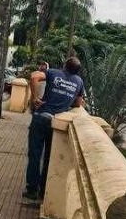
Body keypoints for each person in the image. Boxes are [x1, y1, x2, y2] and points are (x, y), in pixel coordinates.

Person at [24, 57, 85, 202]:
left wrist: (35, 98)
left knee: (34, 154)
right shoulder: (79, 82)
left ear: (64, 66)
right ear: (77, 71)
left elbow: (33, 76)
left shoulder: (53, 72)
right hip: (57, 124)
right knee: (49, 157)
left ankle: (32, 189)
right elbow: (78, 103)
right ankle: (44, 190)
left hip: (41, 117)